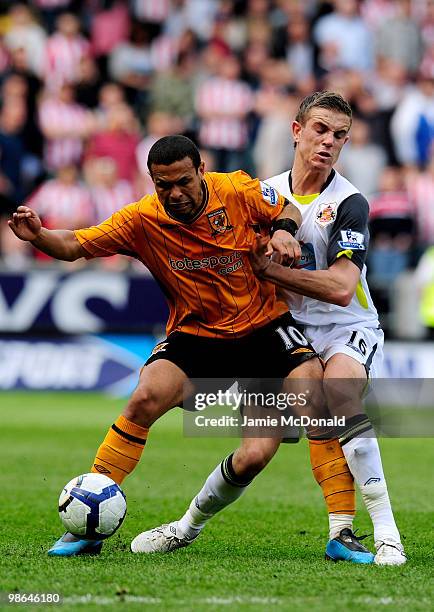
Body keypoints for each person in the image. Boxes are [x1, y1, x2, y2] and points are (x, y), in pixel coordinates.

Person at [8, 134, 323, 557]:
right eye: (162, 185)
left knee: (283, 428)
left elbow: (285, 206)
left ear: (201, 170)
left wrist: (284, 231)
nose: (173, 193)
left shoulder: (236, 189)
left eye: (182, 182)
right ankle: (87, 523)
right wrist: (39, 235)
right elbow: (75, 244)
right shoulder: (142, 219)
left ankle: (340, 530)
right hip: (196, 336)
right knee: (144, 398)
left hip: (263, 328)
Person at [137, 93, 405, 567]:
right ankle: (185, 527)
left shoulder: (349, 203)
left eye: (339, 135)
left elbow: (343, 289)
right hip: (282, 332)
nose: (329, 142)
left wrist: (272, 271)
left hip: (346, 327)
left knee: (338, 394)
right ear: (296, 130)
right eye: (320, 129)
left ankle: (381, 533)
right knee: (256, 452)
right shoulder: (261, 193)